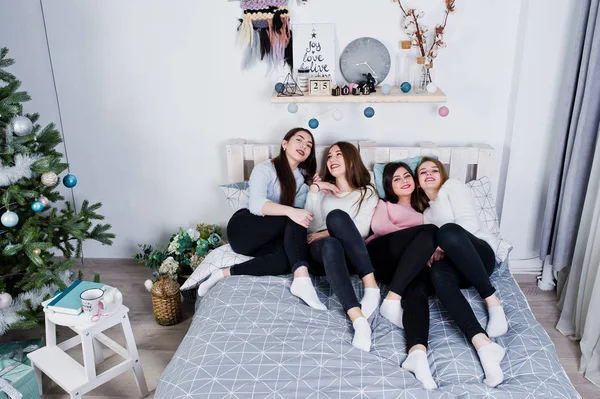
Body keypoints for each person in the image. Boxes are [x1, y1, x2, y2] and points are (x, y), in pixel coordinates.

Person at [416, 156, 508, 387]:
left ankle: (492, 301)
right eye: (422, 171)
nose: (429, 173)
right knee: (437, 273)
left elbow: (469, 223)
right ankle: (483, 344)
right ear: (418, 182)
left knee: (447, 232)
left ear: (442, 174)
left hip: (479, 254)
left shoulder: (453, 186)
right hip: (457, 268)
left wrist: (441, 245)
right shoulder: (426, 214)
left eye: (434, 169)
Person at [198, 128, 317, 296]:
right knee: (295, 215)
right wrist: (291, 212)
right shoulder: (265, 169)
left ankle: (222, 273)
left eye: (309, 145)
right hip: (243, 228)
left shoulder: (300, 181)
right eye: (299, 140)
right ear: (284, 144)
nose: (304, 146)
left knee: (286, 260)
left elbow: (299, 220)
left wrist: (314, 189)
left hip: (265, 240)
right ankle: (302, 279)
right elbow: (256, 205)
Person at [366, 161, 439, 389]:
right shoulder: (384, 204)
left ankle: (417, 354)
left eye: (407, 176)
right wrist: (421, 246)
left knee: (417, 290)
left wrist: (423, 250)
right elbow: (379, 228)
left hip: (405, 267)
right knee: (431, 233)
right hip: (382, 253)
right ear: (389, 185)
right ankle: (392, 297)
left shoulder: (427, 210)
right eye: (396, 179)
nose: (404, 181)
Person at [300, 142, 379, 352]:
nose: (332, 159)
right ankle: (358, 319)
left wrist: (328, 231)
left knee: (337, 218)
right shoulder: (323, 193)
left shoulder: (367, 193)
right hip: (322, 254)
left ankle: (371, 288)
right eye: (329, 156)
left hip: (352, 255)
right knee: (331, 242)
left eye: (339, 154)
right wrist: (315, 191)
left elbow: (361, 230)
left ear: (352, 159)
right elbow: (312, 228)